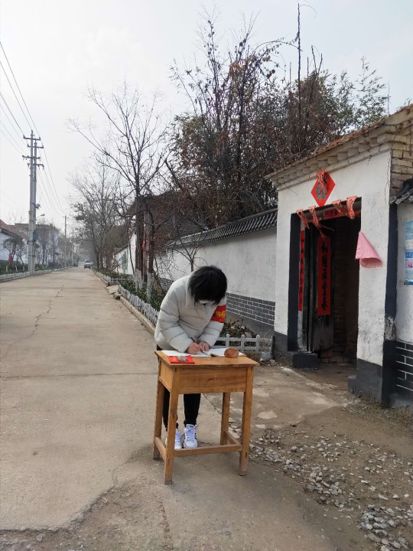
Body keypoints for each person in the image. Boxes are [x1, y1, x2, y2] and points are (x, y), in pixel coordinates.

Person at [155, 265, 227, 450]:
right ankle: (171, 430)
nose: (207, 306)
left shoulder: (218, 293)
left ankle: (190, 427)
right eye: (203, 302)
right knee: (169, 389)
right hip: (169, 344)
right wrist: (186, 344)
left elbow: (216, 321)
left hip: (196, 346)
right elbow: (166, 322)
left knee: (193, 386)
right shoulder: (178, 290)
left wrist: (206, 341)